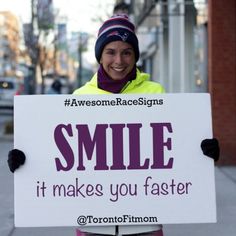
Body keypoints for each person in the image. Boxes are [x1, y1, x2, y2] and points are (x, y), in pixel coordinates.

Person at [8, 14, 220, 236]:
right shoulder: (79, 97)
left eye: (126, 52)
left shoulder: (156, 93)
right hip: (92, 223)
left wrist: (204, 153)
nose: (119, 60)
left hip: (146, 222)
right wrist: (26, 161)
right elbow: (59, 156)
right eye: (111, 52)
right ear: (100, 55)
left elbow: (175, 150)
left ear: (135, 56)